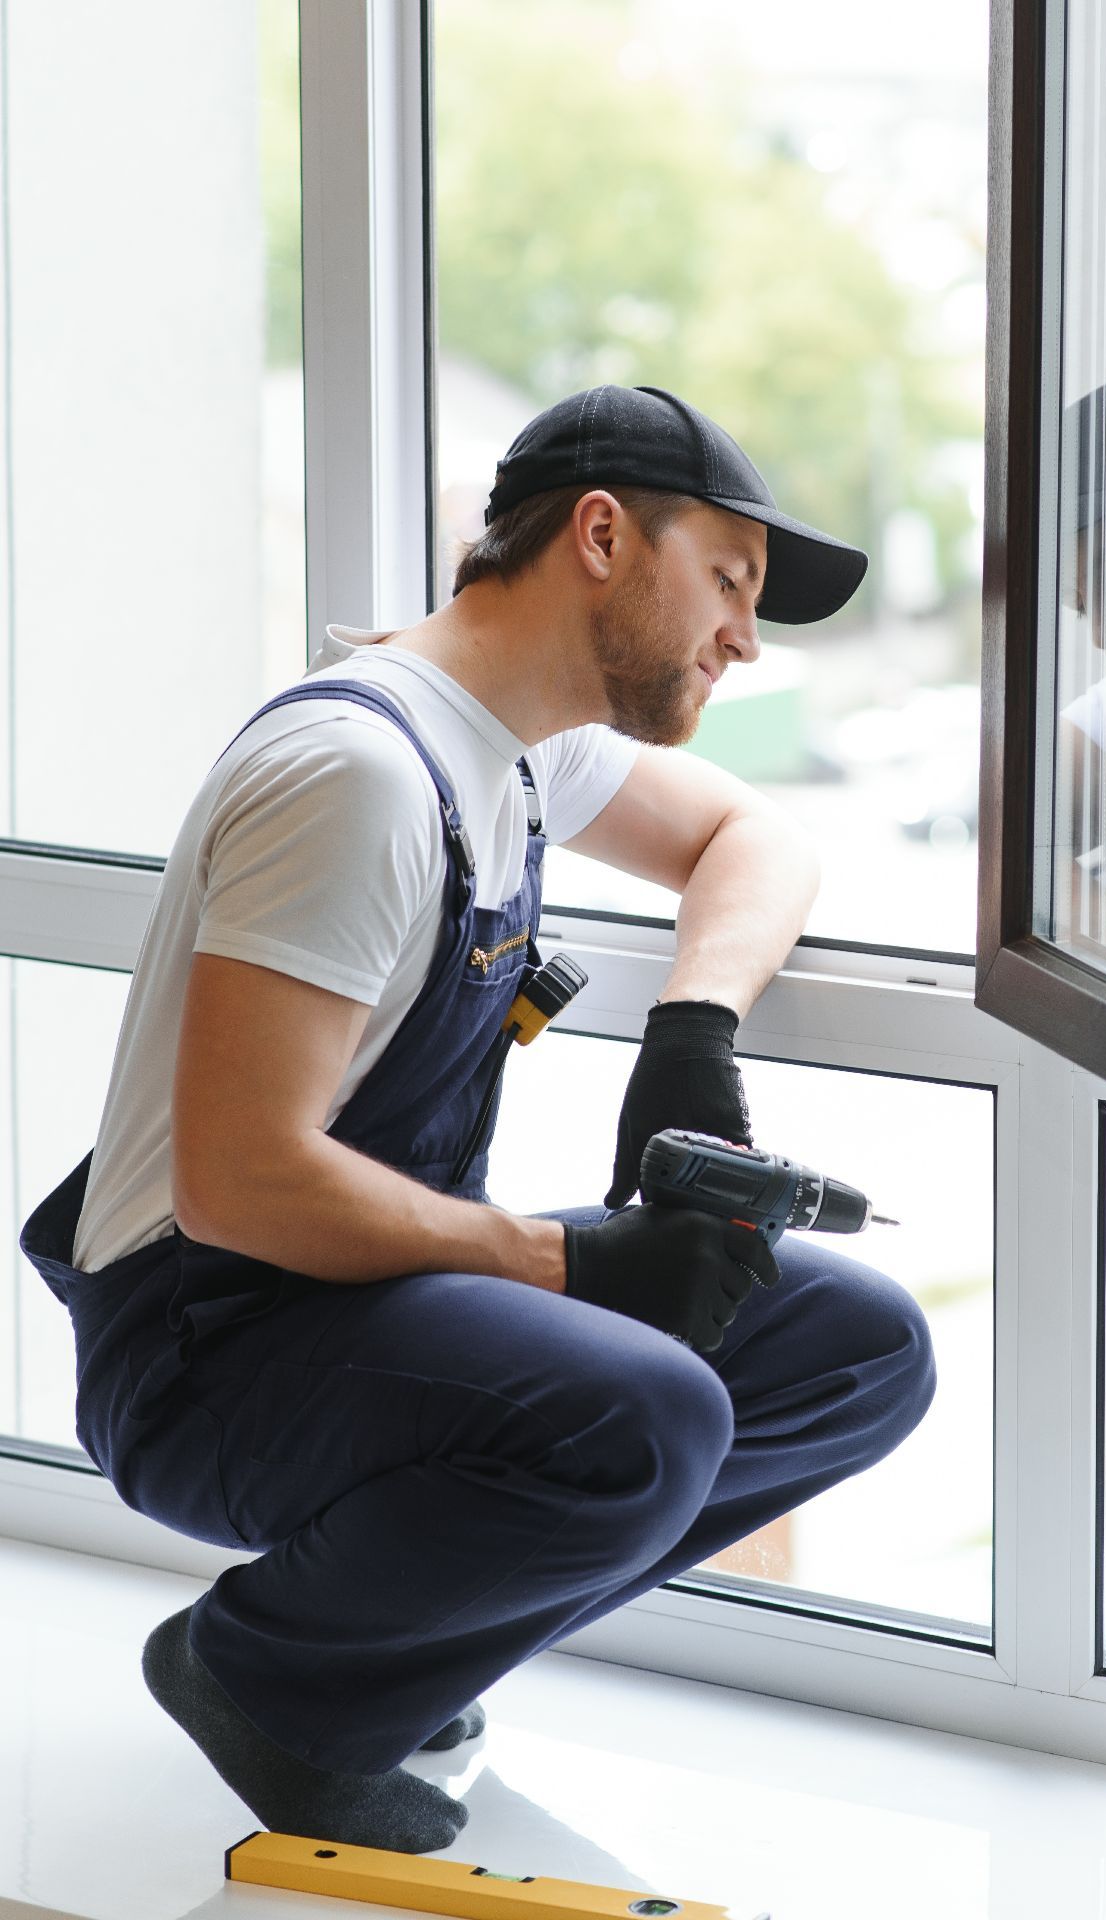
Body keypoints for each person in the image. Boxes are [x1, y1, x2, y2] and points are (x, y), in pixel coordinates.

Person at [19, 384, 938, 1856]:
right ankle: (270, 1680)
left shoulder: (517, 746)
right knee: (652, 1412)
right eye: (730, 582)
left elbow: (755, 838)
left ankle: (402, 1639)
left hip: (363, 1298)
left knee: (855, 1351)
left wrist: (690, 1035)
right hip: (207, 1350)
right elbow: (240, 1185)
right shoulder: (360, 780)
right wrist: (572, 1270)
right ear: (600, 537)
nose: (746, 640)